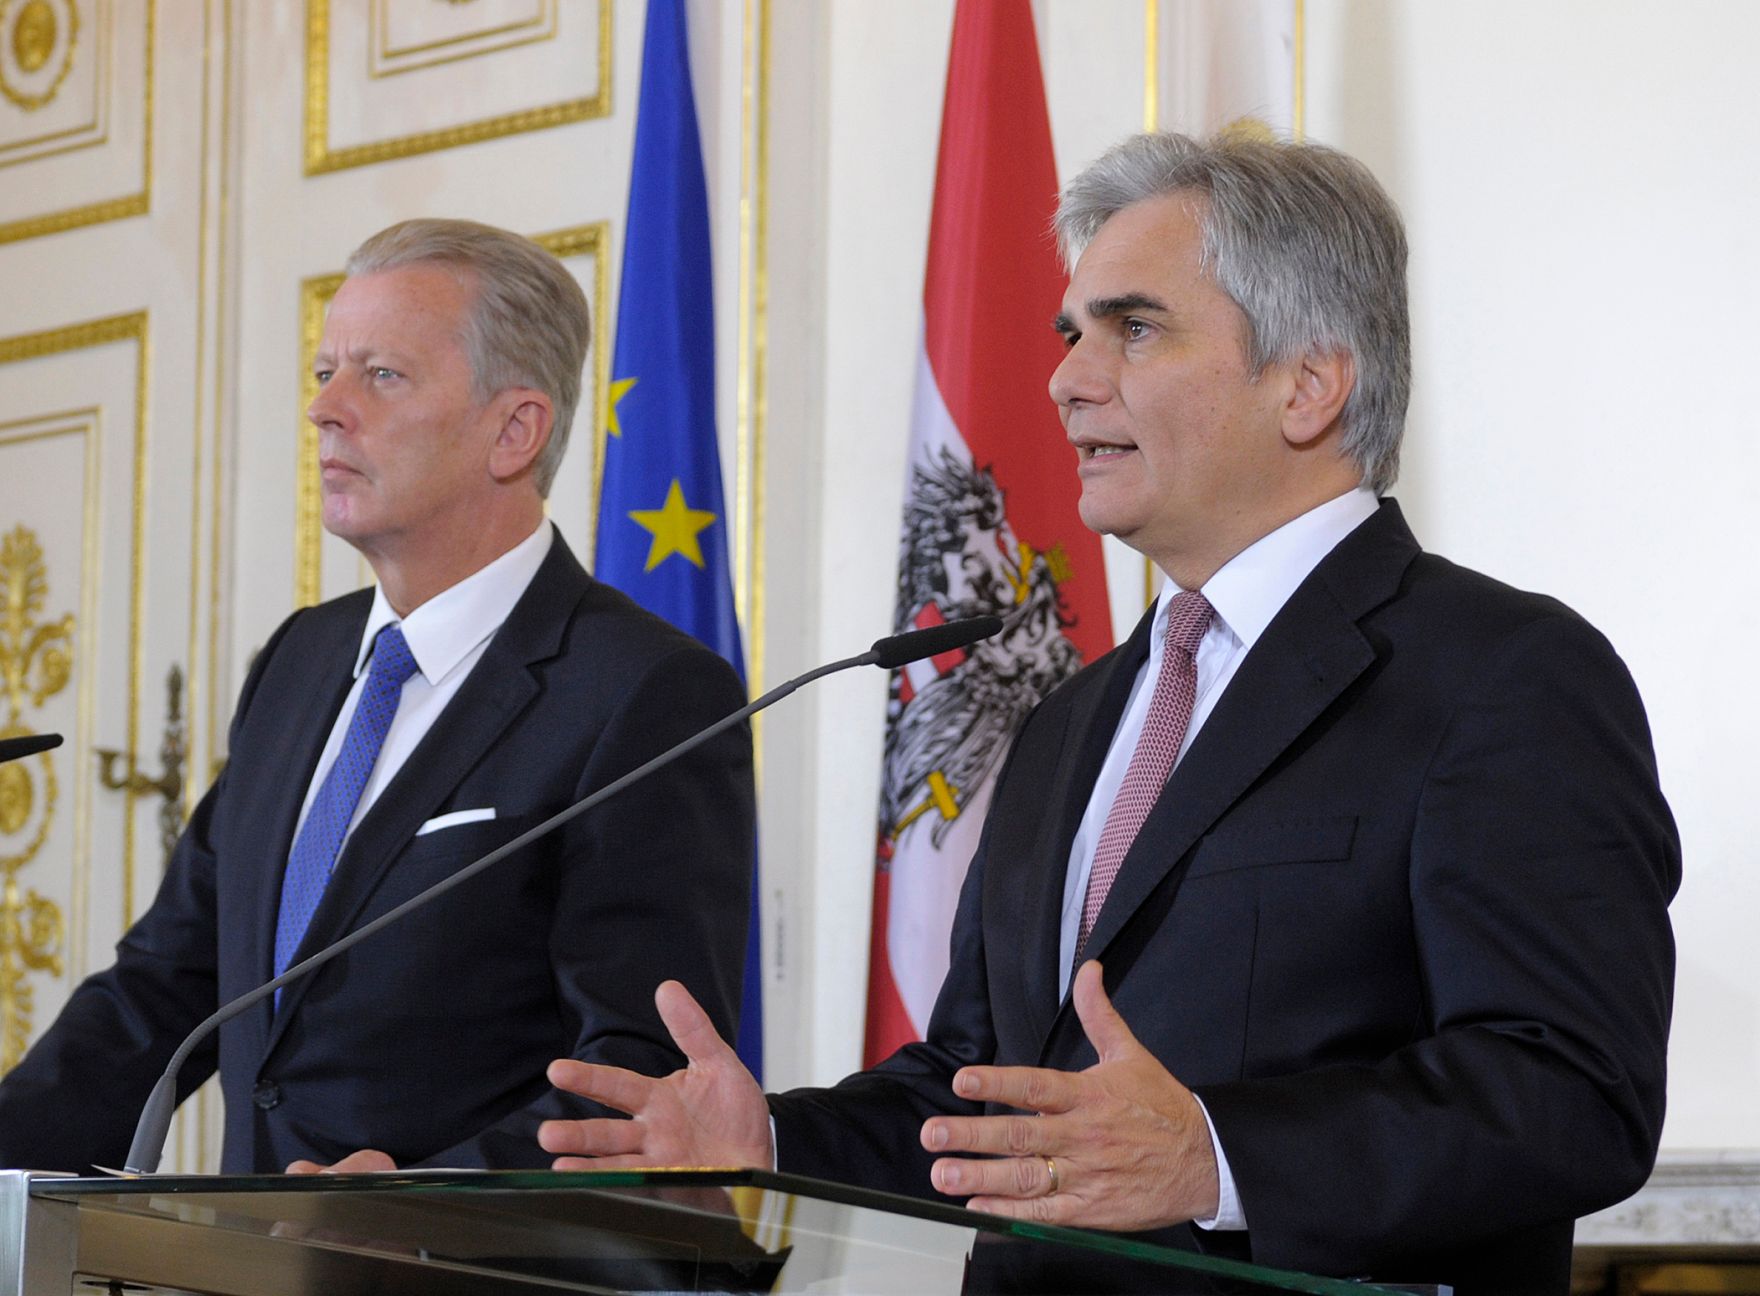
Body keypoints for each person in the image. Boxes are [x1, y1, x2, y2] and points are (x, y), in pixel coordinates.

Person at [535, 134, 1680, 1295]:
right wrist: (773, 1145)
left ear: (1308, 382)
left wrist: (1219, 1157)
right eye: (1069, 334)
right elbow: (984, 1090)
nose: (1066, 379)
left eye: (1132, 329)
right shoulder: (1072, 716)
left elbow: (1573, 1092)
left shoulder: (1502, 674)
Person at [0, 219, 754, 1173]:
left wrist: (417, 1204)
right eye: (324, 372)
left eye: (381, 375)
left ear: (515, 429)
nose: (326, 408)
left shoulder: (645, 693)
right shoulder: (302, 659)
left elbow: (633, 1082)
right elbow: (163, 990)